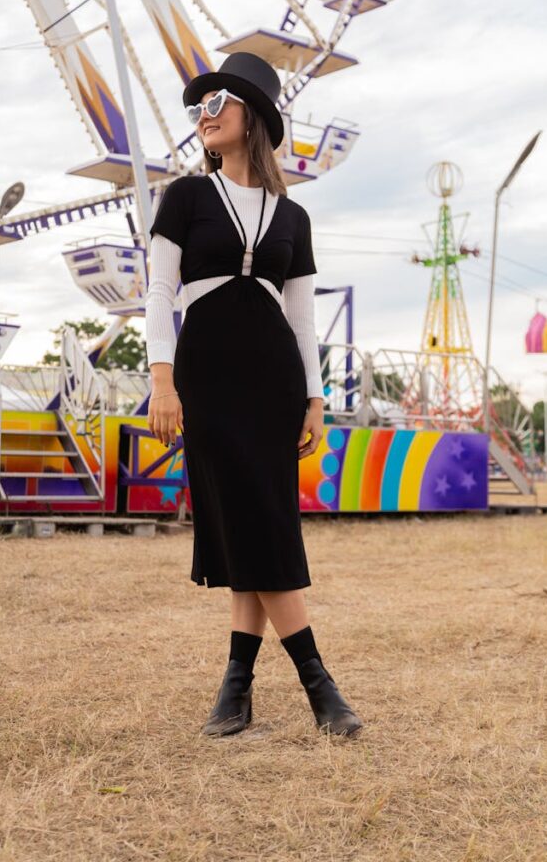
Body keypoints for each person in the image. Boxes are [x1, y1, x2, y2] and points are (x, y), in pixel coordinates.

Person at [145, 52, 362, 738]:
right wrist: (160, 377)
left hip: (272, 378)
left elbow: (300, 319)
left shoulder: (292, 218)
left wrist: (315, 400)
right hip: (205, 373)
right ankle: (317, 684)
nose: (203, 116)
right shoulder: (182, 196)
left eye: (217, 104)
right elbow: (156, 293)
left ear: (252, 118)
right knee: (251, 521)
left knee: (257, 523)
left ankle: (235, 689)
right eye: (197, 108)